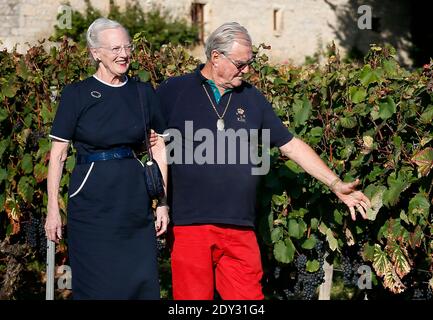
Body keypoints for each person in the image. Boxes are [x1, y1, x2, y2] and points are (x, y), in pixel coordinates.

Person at [155, 22, 371, 300]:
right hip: (190, 225)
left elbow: (290, 145)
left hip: (241, 227)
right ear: (216, 57)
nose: (247, 70)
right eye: (240, 63)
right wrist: (160, 202)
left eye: (250, 63)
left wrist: (335, 183)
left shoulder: (252, 99)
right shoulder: (174, 91)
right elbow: (155, 144)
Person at [45, 17, 169, 299]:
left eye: (127, 47)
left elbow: (159, 146)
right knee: (96, 285)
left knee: (140, 282)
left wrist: (162, 203)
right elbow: (59, 154)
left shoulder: (143, 92)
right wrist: (53, 209)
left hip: (134, 203)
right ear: (95, 53)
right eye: (114, 49)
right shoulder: (76, 95)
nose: (123, 54)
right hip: (91, 204)